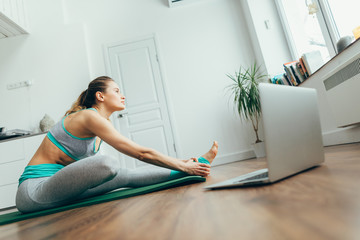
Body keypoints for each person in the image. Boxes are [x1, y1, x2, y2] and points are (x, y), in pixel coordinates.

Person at [16, 76, 218, 213]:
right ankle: (186, 168)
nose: (122, 95)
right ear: (100, 96)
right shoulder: (88, 117)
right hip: (34, 193)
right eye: (117, 90)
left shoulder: (102, 123)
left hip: (62, 190)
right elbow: (141, 153)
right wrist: (181, 163)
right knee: (107, 164)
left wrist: (183, 163)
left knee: (122, 175)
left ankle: (193, 168)